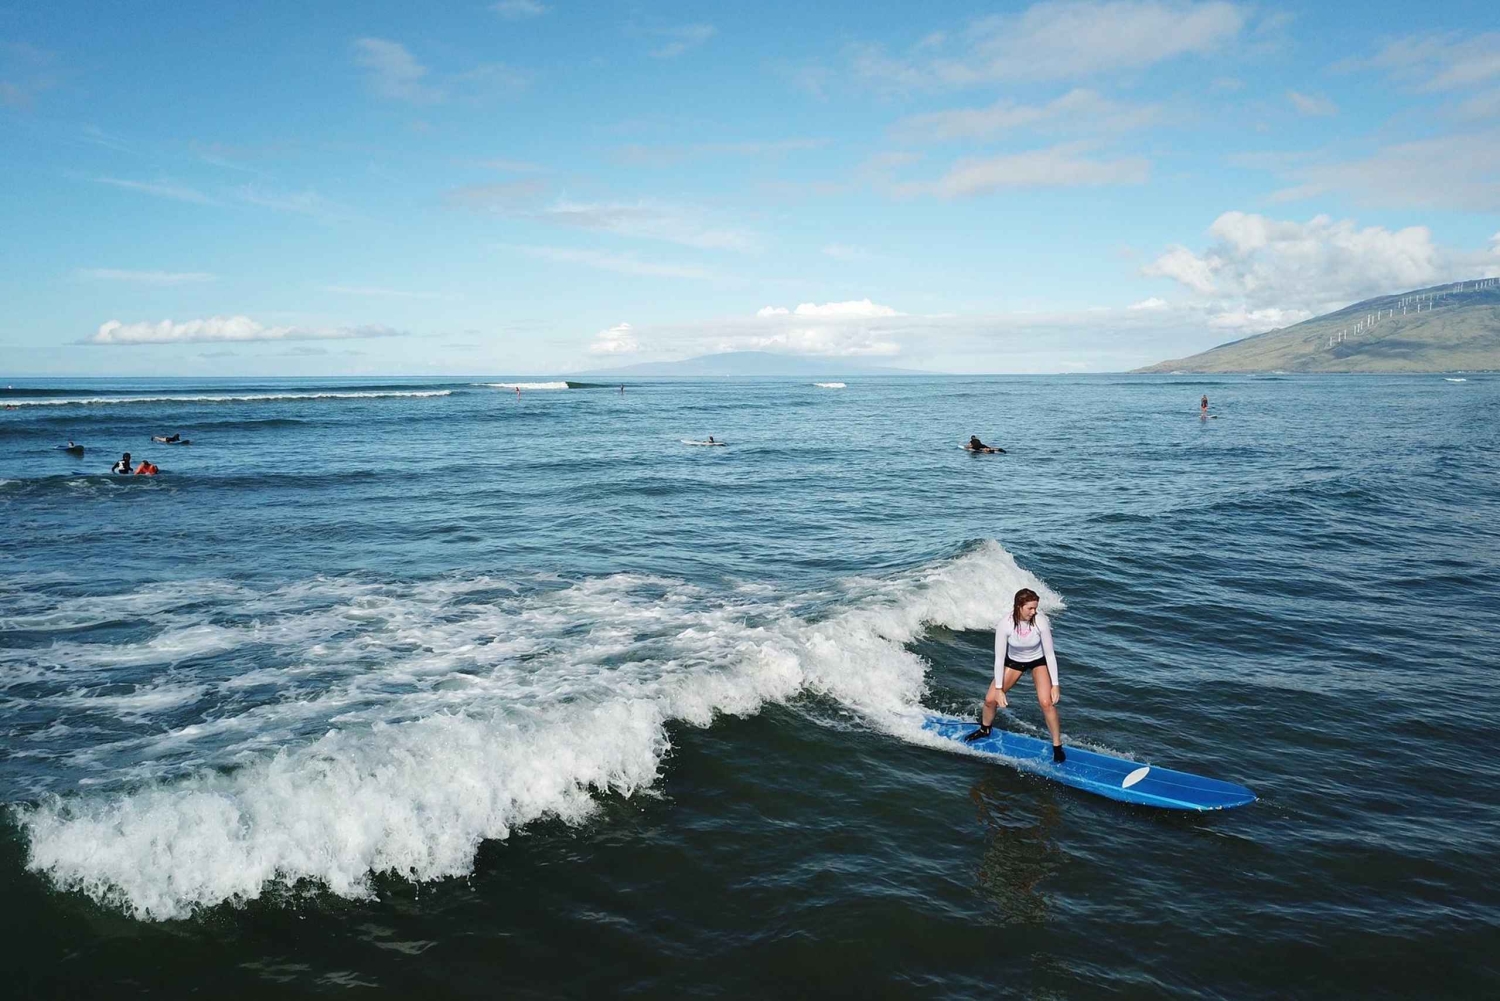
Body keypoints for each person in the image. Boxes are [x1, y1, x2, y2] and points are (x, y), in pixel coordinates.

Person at [965, 587, 1065, 762]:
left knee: (1046, 703)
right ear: (1019, 606)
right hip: (1014, 662)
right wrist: (999, 689)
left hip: (1038, 661)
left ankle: (1057, 745)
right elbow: (999, 658)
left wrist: (1055, 685)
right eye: (1030, 608)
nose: (1034, 612)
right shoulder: (1005, 624)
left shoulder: (1040, 621)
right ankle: (985, 729)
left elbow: (1049, 655)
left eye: (1035, 608)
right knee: (990, 700)